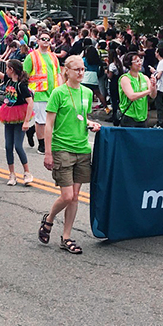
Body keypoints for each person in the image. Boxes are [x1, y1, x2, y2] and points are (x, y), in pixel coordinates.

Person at [37, 55, 101, 255]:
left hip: (82, 149)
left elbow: (83, 116)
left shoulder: (87, 93)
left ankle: (66, 237)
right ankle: (48, 219)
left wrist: (90, 124)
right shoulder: (58, 93)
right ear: (67, 71)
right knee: (67, 196)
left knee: (75, 197)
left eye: (83, 69)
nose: (81, 73)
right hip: (62, 148)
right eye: (77, 69)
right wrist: (48, 153)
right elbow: (49, 124)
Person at [0, 59, 36, 186]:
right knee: (8, 146)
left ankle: (27, 172)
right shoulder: (7, 80)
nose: (6, 70)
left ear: (12, 70)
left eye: (8, 68)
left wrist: (26, 121)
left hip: (20, 115)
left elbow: (30, 102)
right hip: (8, 113)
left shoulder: (21, 85)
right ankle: (12, 174)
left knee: (18, 146)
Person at [24, 33, 63, 154]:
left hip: (53, 93)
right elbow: (25, 75)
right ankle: (42, 145)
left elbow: (58, 74)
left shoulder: (53, 57)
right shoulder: (32, 56)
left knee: (50, 120)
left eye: (48, 39)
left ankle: (32, 131)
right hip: (39, 92)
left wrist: (61, 89)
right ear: (38, 41)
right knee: (41, 120)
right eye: (43, 39)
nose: (46, 41)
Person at [120, 52, 160, 128]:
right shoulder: (125, 79)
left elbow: (153, 96)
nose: (140, 63)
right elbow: (131, 96)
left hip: (143, 116)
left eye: (140, 60)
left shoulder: (144, 77)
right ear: (129, 64)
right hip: (129, 115)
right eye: (136, 61)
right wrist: (149, 91)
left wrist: (153, 86)